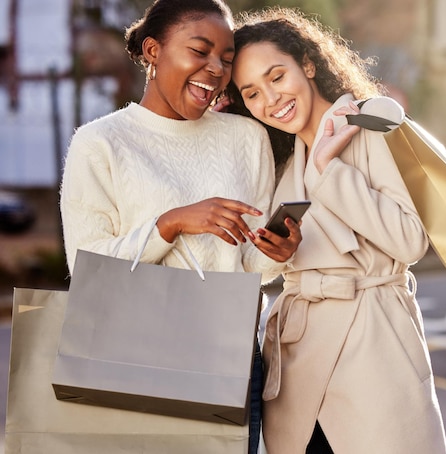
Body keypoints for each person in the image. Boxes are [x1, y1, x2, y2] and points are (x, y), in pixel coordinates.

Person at [59, 1, 302, 452]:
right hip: (133, 357)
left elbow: (249, 268)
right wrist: (170, 223)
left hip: (229, 358)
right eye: (200, 50)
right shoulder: (99, 143)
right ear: (153, 50)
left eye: (226, 59)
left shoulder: (245, 139)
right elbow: (86, 268)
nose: (215, 69)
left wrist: (274, 254)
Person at [224, 7, 446, 454]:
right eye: (251, 93)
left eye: (276, 76)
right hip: (297, 359)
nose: (269, 99)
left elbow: (410, 241)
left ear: (308, 64)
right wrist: (280, 250)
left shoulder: (371, 123)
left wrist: (330, 172)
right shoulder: (284, 163)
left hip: (372, 347)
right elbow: (269, 266)